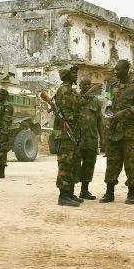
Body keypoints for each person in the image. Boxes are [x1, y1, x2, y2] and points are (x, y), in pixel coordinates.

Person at [100, 59, 134, 205]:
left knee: (130, 163)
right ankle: (109, 193)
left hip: (130, 132)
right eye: (115, 69)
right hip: (114, 132)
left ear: (126, 70)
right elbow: (109, 104)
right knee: (112, 162)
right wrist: (109, 112)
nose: (115, 72)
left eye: (118, 69)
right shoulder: (112, 87)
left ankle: (131, 194)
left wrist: (123, 113)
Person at [53, 65, 83, 207]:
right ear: (66, 75)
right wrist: (73, 121)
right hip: (66, 133)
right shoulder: (64, 90)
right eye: (73, 73)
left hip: (72, 132)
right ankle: (63, 196)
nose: (76, 75)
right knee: (65, 163)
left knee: (73, 163)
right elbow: (66, 113)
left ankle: (70, 193)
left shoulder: (71, 91)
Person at [76, 77, 105, 200]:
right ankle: (71, 191)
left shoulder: (96, 102)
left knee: (89, 165)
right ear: (80, 86)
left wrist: (102, 138)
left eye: (89, 84)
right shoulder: (76, 100)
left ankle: (84, 190)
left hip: (91, 138)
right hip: (77, 138)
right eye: (84, 84)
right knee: (75, 165)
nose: (87, 86)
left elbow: (99, 121)